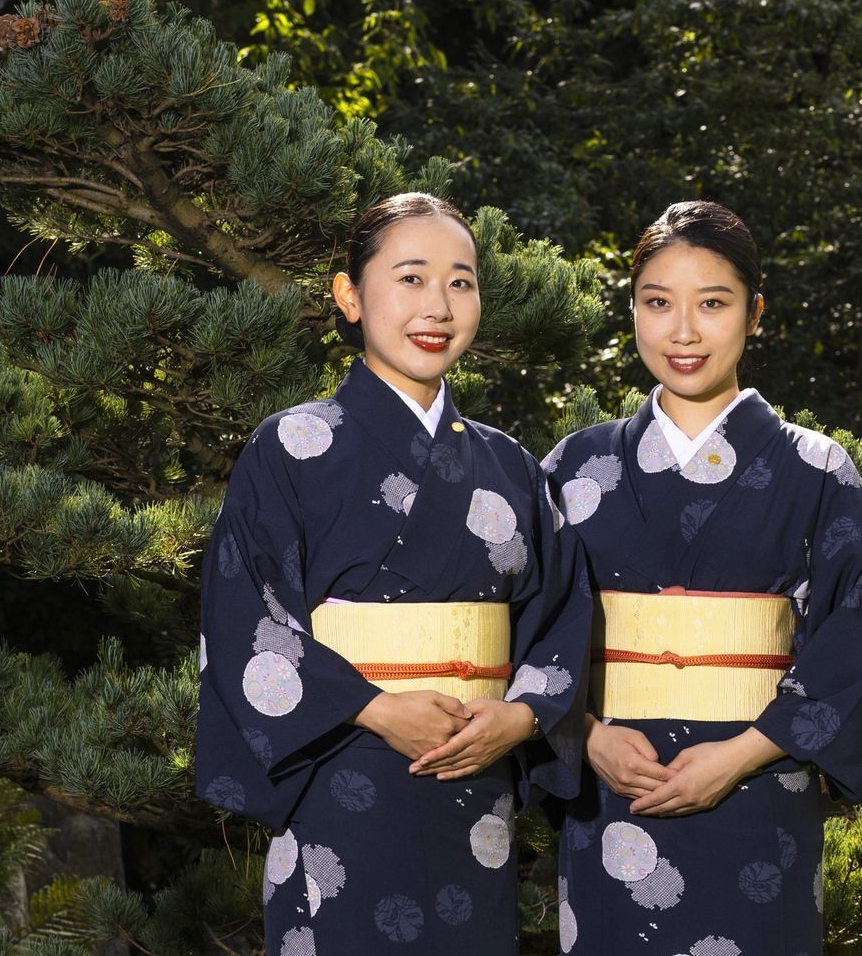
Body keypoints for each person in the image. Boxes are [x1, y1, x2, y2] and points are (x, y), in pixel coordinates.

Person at [195, 192, 590, 956]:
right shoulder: (291, 446)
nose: (437, 305)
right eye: (410, 277)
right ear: (349, 294)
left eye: (461, 281)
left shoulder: (508, 463)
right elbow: (246, 613)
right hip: (341, 764)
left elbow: (563, 613)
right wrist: (374, 707)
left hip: (476, 777)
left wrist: (520, 717)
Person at [545, 200, 862, 955]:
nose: (683, 331)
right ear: (633, 309)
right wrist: (584, 731)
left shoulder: (815, 469)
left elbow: (861, 639)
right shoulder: (575, 467)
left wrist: (744, 752)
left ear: (754, 312)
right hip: (612, 788)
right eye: (657, 302)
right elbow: (526, 630)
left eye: (712, 303)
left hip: (759, 791)